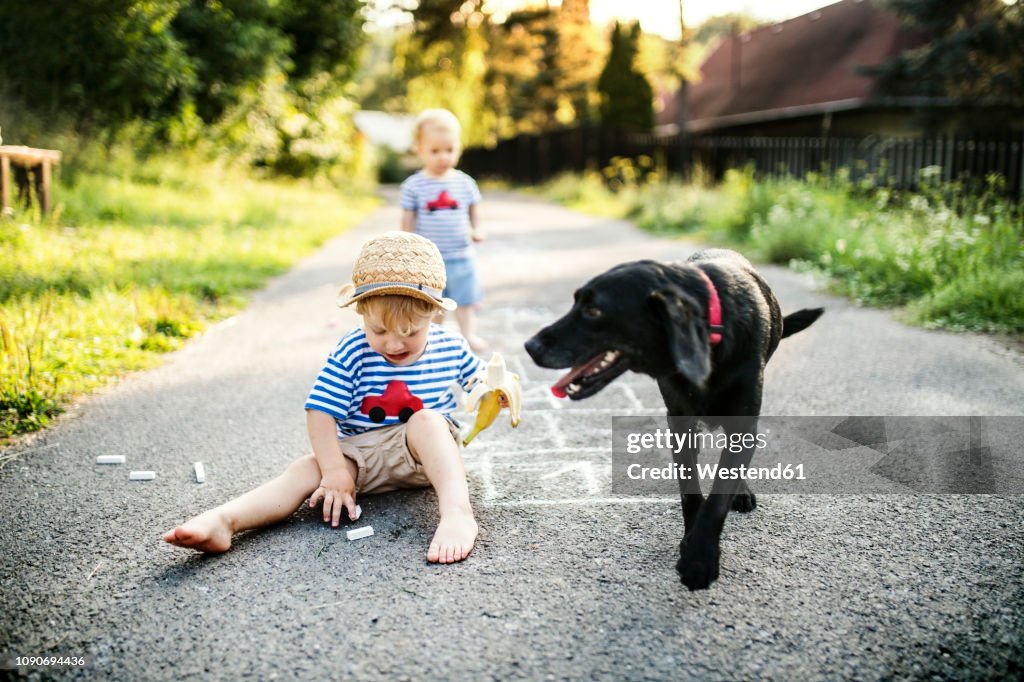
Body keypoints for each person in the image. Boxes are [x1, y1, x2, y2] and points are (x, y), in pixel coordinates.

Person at [163, 232, 484, 564]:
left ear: (433, 313)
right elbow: (320, 411)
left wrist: (494, 392)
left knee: (428, 420)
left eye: (410, 333)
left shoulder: (451, 345)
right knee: (304, 470)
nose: (393, 345)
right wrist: (334, 471)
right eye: (379, 331)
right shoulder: (352, 350)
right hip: (363, 456)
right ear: (361, 313)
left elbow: (481, 380)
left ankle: (457, 514)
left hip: (425, 455)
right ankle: (226, 520)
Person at [400, 108, 488, 352]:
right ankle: (436, 338)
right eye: (435, 151)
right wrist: (407, 243)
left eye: (449, 150)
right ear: (420, 151)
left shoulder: (464, 182)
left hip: (462, 254)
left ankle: (467, 335)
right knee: (434, 302)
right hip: (430, 259)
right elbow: (408, 217)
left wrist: (477, 228)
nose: (443, 157)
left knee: (465, 300)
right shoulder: (414, 186)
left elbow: (473, 208)